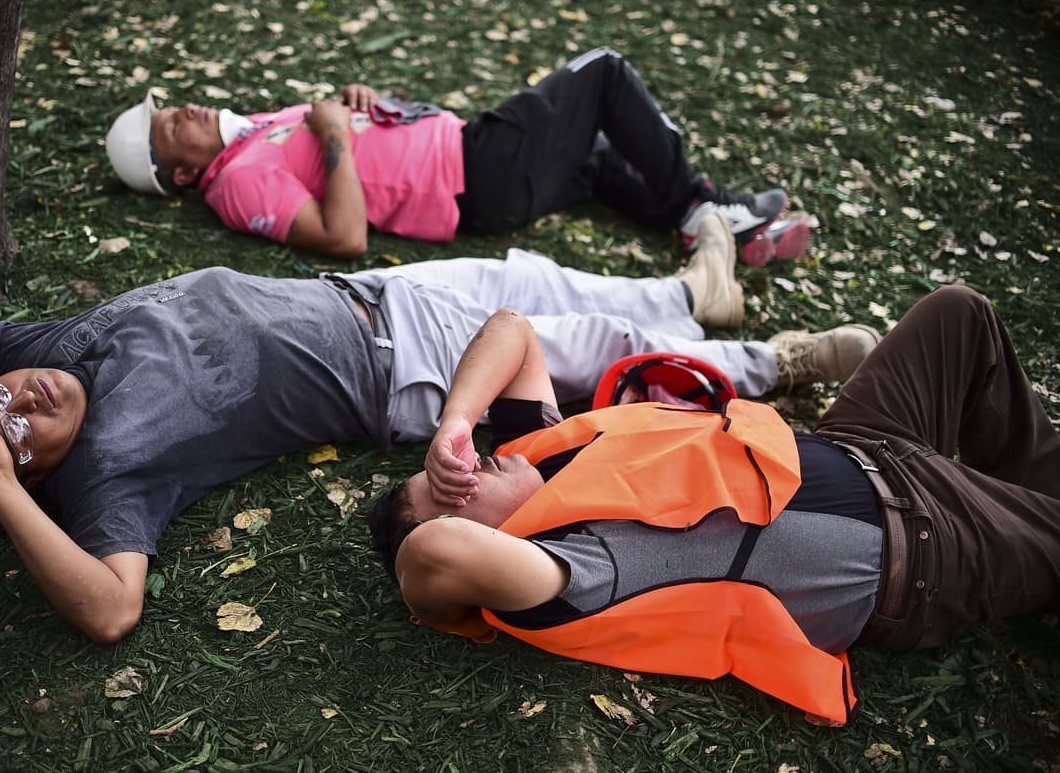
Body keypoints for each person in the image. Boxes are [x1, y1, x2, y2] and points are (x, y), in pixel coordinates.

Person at [0, 216, 873, 644]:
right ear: (34, 470)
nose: (20, 397)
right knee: (583, 349)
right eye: (15, 428)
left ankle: (690, 289)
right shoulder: (108, 473)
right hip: (398, 372)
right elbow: (109, 610)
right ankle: (769, 364)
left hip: (376, 291)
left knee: (544, 286)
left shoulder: (39, 346)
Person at [367, 285, 1059, 725]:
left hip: (867, 444)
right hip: (922, 542)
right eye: (454, 486)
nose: (469, 463)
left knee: (958, 313)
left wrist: (455, 424)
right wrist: (436, 536)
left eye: (452, 464)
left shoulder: (535, 452)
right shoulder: (566, 571)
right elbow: (431, 556)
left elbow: (510, 328)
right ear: (482, 538)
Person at [105, 47, 810, 264]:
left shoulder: (245, 137)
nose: (185, 108)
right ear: (183, 174)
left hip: (468, 165)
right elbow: (344, 236)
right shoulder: (236, 186)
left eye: (173, 104)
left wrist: (360, 105)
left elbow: (342, 143)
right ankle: (704, 203)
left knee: (593, 159)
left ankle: (698, 223)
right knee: (602, 74)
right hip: (472, 172)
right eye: (170, 124)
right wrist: (333, 132)